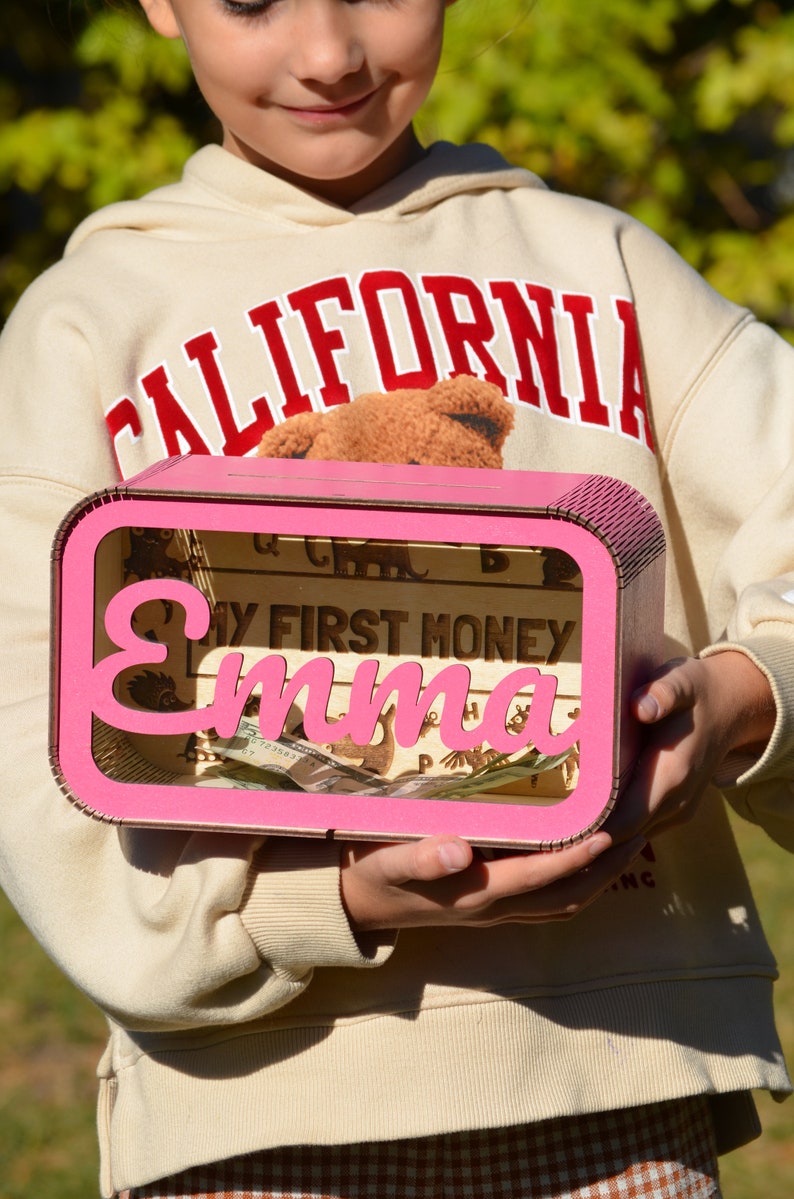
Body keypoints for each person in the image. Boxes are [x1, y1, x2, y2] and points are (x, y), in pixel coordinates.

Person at [1, 0, 792, 1195]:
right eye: (255, 0)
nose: (329, 55)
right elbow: (27, 717)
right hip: (255, 1122)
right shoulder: (85, 326)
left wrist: (741, 695)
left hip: (608, 1084)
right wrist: (310, 900)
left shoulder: (600, 263)